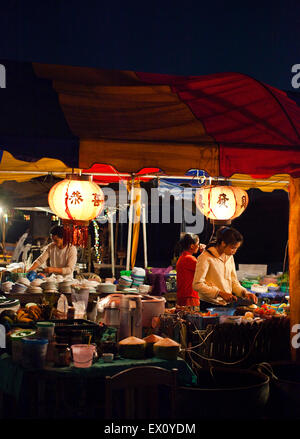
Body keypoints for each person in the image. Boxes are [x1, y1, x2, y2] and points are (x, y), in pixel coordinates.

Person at [192, 226, 258, 310]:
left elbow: (234, 282)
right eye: (233, 248)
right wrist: (220, 293)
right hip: (209, 306)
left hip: (227, 304)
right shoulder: (205, 257)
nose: (234, 251)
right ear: (223, 243)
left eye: (236, 248)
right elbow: (197, 284)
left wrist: (244, 293)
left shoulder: (229, 257)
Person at [175, 233, 206, 307]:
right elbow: (205, 269)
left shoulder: (182, 257)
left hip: (183, 295)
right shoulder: (189, 259)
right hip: (190, 296)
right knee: (192, 318)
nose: (199, 246)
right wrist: (205, 253)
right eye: (198, 244)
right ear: (192, 246)